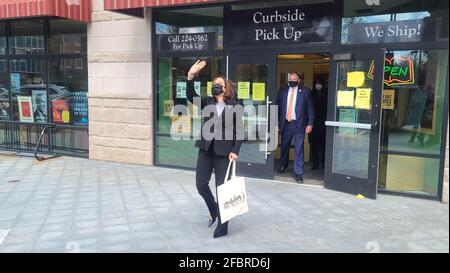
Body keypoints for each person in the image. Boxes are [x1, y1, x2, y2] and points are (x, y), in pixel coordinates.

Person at [186, 60, 243, 238]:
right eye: (214, 84)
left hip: (224, 153)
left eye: (219, 84)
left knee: (222, 189)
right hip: (205, 150)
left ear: (226, 88)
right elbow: (190, 96)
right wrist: (190, 77)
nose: (215, 86)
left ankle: (223, 225)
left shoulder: (235, 106)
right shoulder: (206, 101)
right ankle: (214, 210)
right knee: (200, 184)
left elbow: (240, 131)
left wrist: (235, 150)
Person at [276, 72, 315, 183]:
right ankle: (283, 165)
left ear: (298, 81)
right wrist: (276, 123)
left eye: (294, 79)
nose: (292, 80)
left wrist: (310, 124)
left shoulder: (305, 91)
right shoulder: (282, 91)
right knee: (284, 146)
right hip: (285, 123)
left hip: (299, 124)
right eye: (290, 78)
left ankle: (298, 173)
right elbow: (277, 107)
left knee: (299, 149)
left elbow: (310, 109)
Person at [309, 77, 328, 170]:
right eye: (316, 83)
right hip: (314, 123)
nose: (318, 85)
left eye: (319, 83)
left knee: (324, 145)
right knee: (314, 145)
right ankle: (315, 164)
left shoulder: (327, 93)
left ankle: (324, 164)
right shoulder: (311, 94)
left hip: (324, 124)